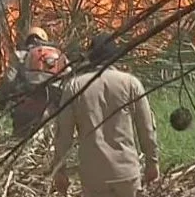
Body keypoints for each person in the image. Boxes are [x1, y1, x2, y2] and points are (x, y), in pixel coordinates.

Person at [52, 32, 159, 197]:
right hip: (126, 174)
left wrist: (60, 170)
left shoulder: (75, 87)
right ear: (115, 56)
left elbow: (63, 134)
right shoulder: (131, 83)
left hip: (94, 177)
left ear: (91, 58)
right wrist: (152, 163)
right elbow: (146, 128)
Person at [0, 26, 71, 137]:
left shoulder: (21, 55)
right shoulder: (59, 55)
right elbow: (70, 76)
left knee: (21, 129)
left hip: (29, 95)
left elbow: (9, 80)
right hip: (53, 99)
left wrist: (2, 101)